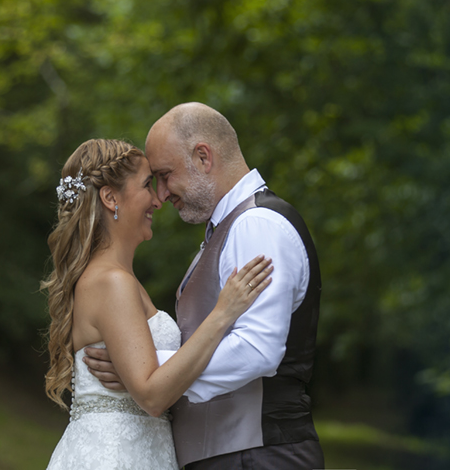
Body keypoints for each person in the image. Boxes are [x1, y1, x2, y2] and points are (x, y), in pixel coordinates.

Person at [84, 103, 324, 469]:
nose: (161, 195)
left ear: (202, 156)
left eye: (164, 175)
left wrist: (146, 371)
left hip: (257, 456)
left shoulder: (257, 225)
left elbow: (257, 348)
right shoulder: (226, 230)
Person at [43, 138, 274, 470]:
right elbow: (151, 396)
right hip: (116, 456)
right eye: (147, 185)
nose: (157, 199)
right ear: (110, 198)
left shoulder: (118, 279)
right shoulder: (111, 282)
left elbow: (147, 381)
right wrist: (223, 313)